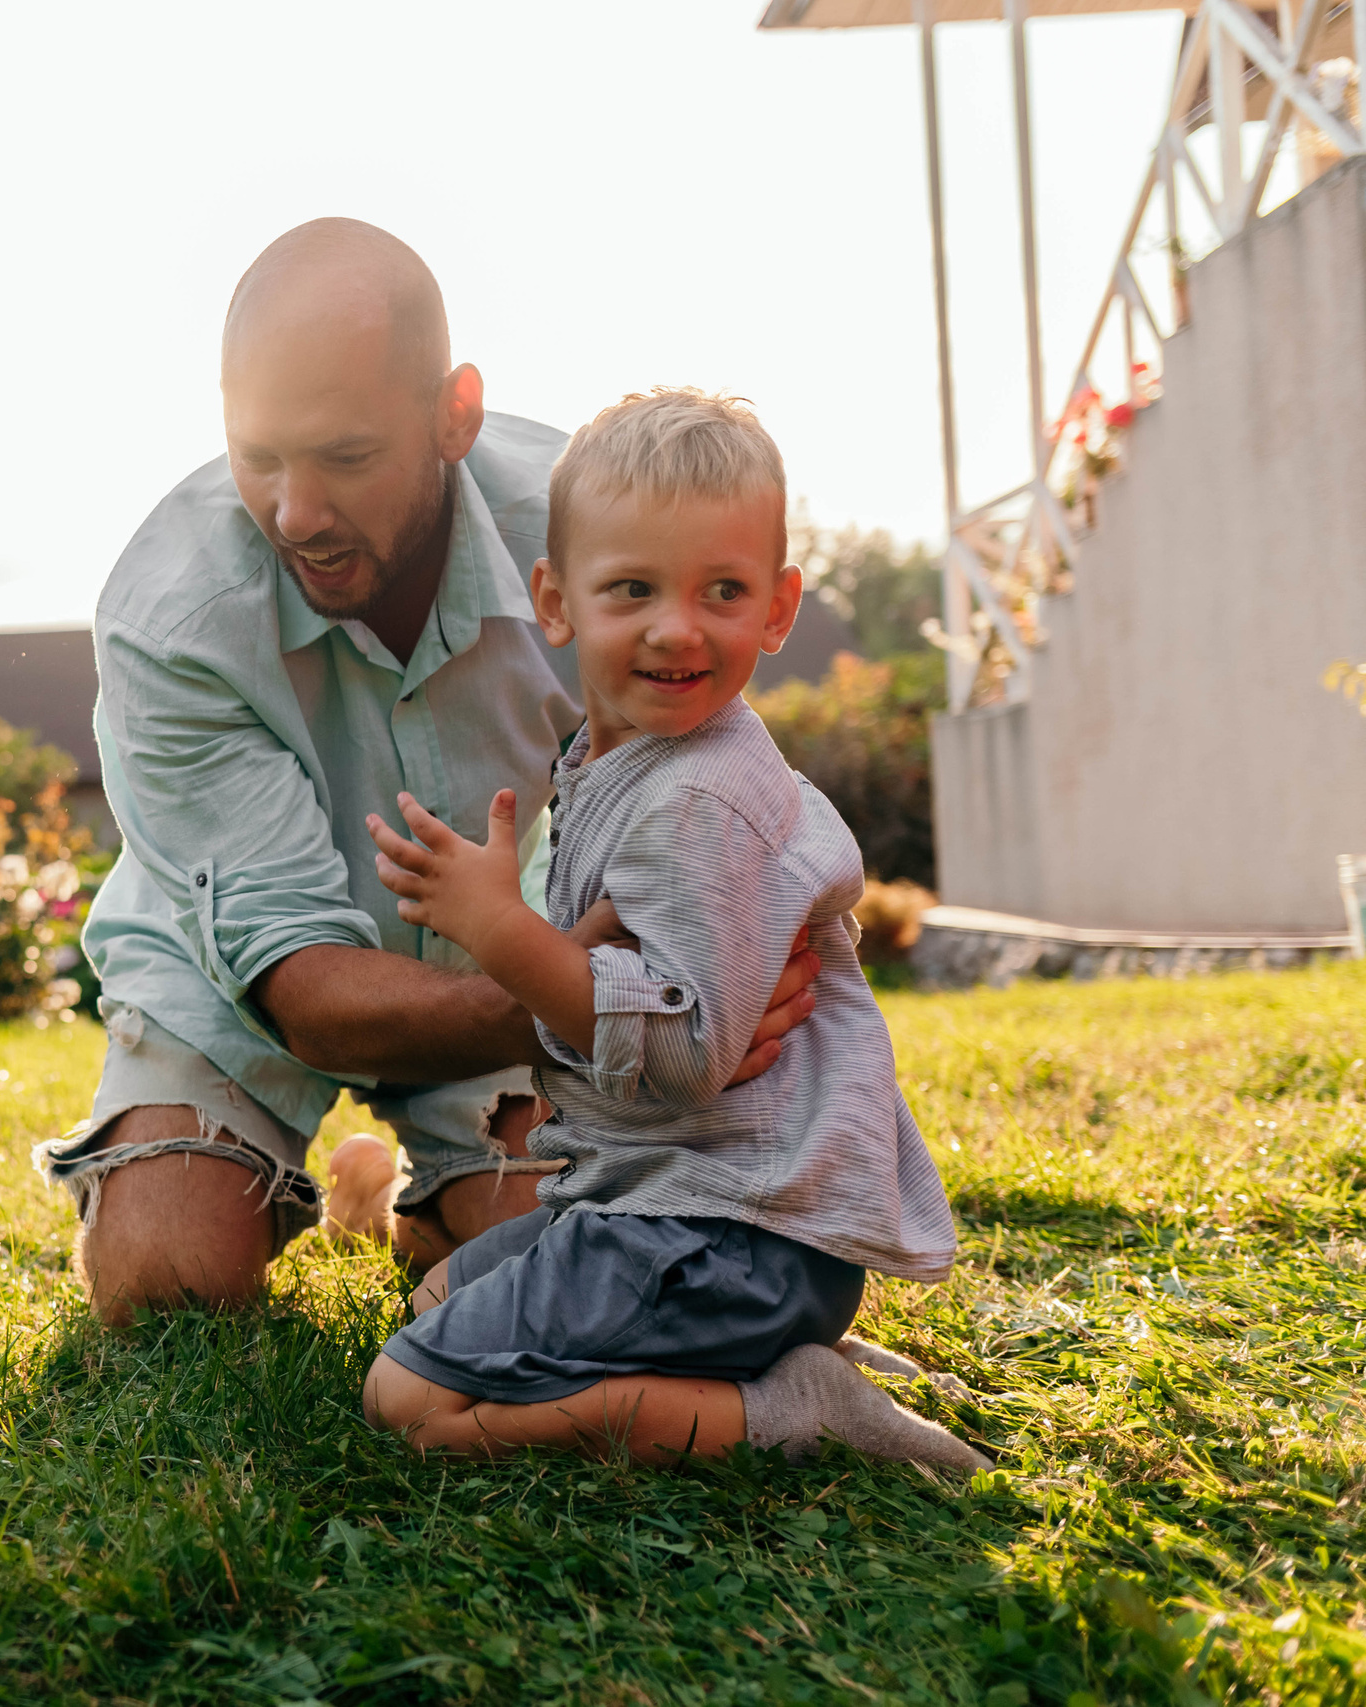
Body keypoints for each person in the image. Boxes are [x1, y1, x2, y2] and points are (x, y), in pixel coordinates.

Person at [35, 219, 823, 1325]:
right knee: (171, 1287)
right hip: (243, 975)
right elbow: (303, 989)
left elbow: (691, 795)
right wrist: (593, 1003)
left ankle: (414, 1198)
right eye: (259, 456)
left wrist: (701, 966)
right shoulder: (169, 616)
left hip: (508, 953)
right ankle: (285, 1178)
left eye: (346, 458)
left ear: (454, 415)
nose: (295, 514)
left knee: (566, 1267)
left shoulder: (593, 534)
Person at [358, 389, 986, 1471]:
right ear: (556, 599)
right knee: (441, 1292)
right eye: (633, 588)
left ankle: (794, 1409)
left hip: (726, 1233)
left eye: (723, 591)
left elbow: (691, 1058)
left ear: (778, 607)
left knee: (410, 1399)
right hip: (665, 1207)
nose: (676, 626)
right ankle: (746, 1360)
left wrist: (501, 931)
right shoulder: (621, 758)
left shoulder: (697, 797)